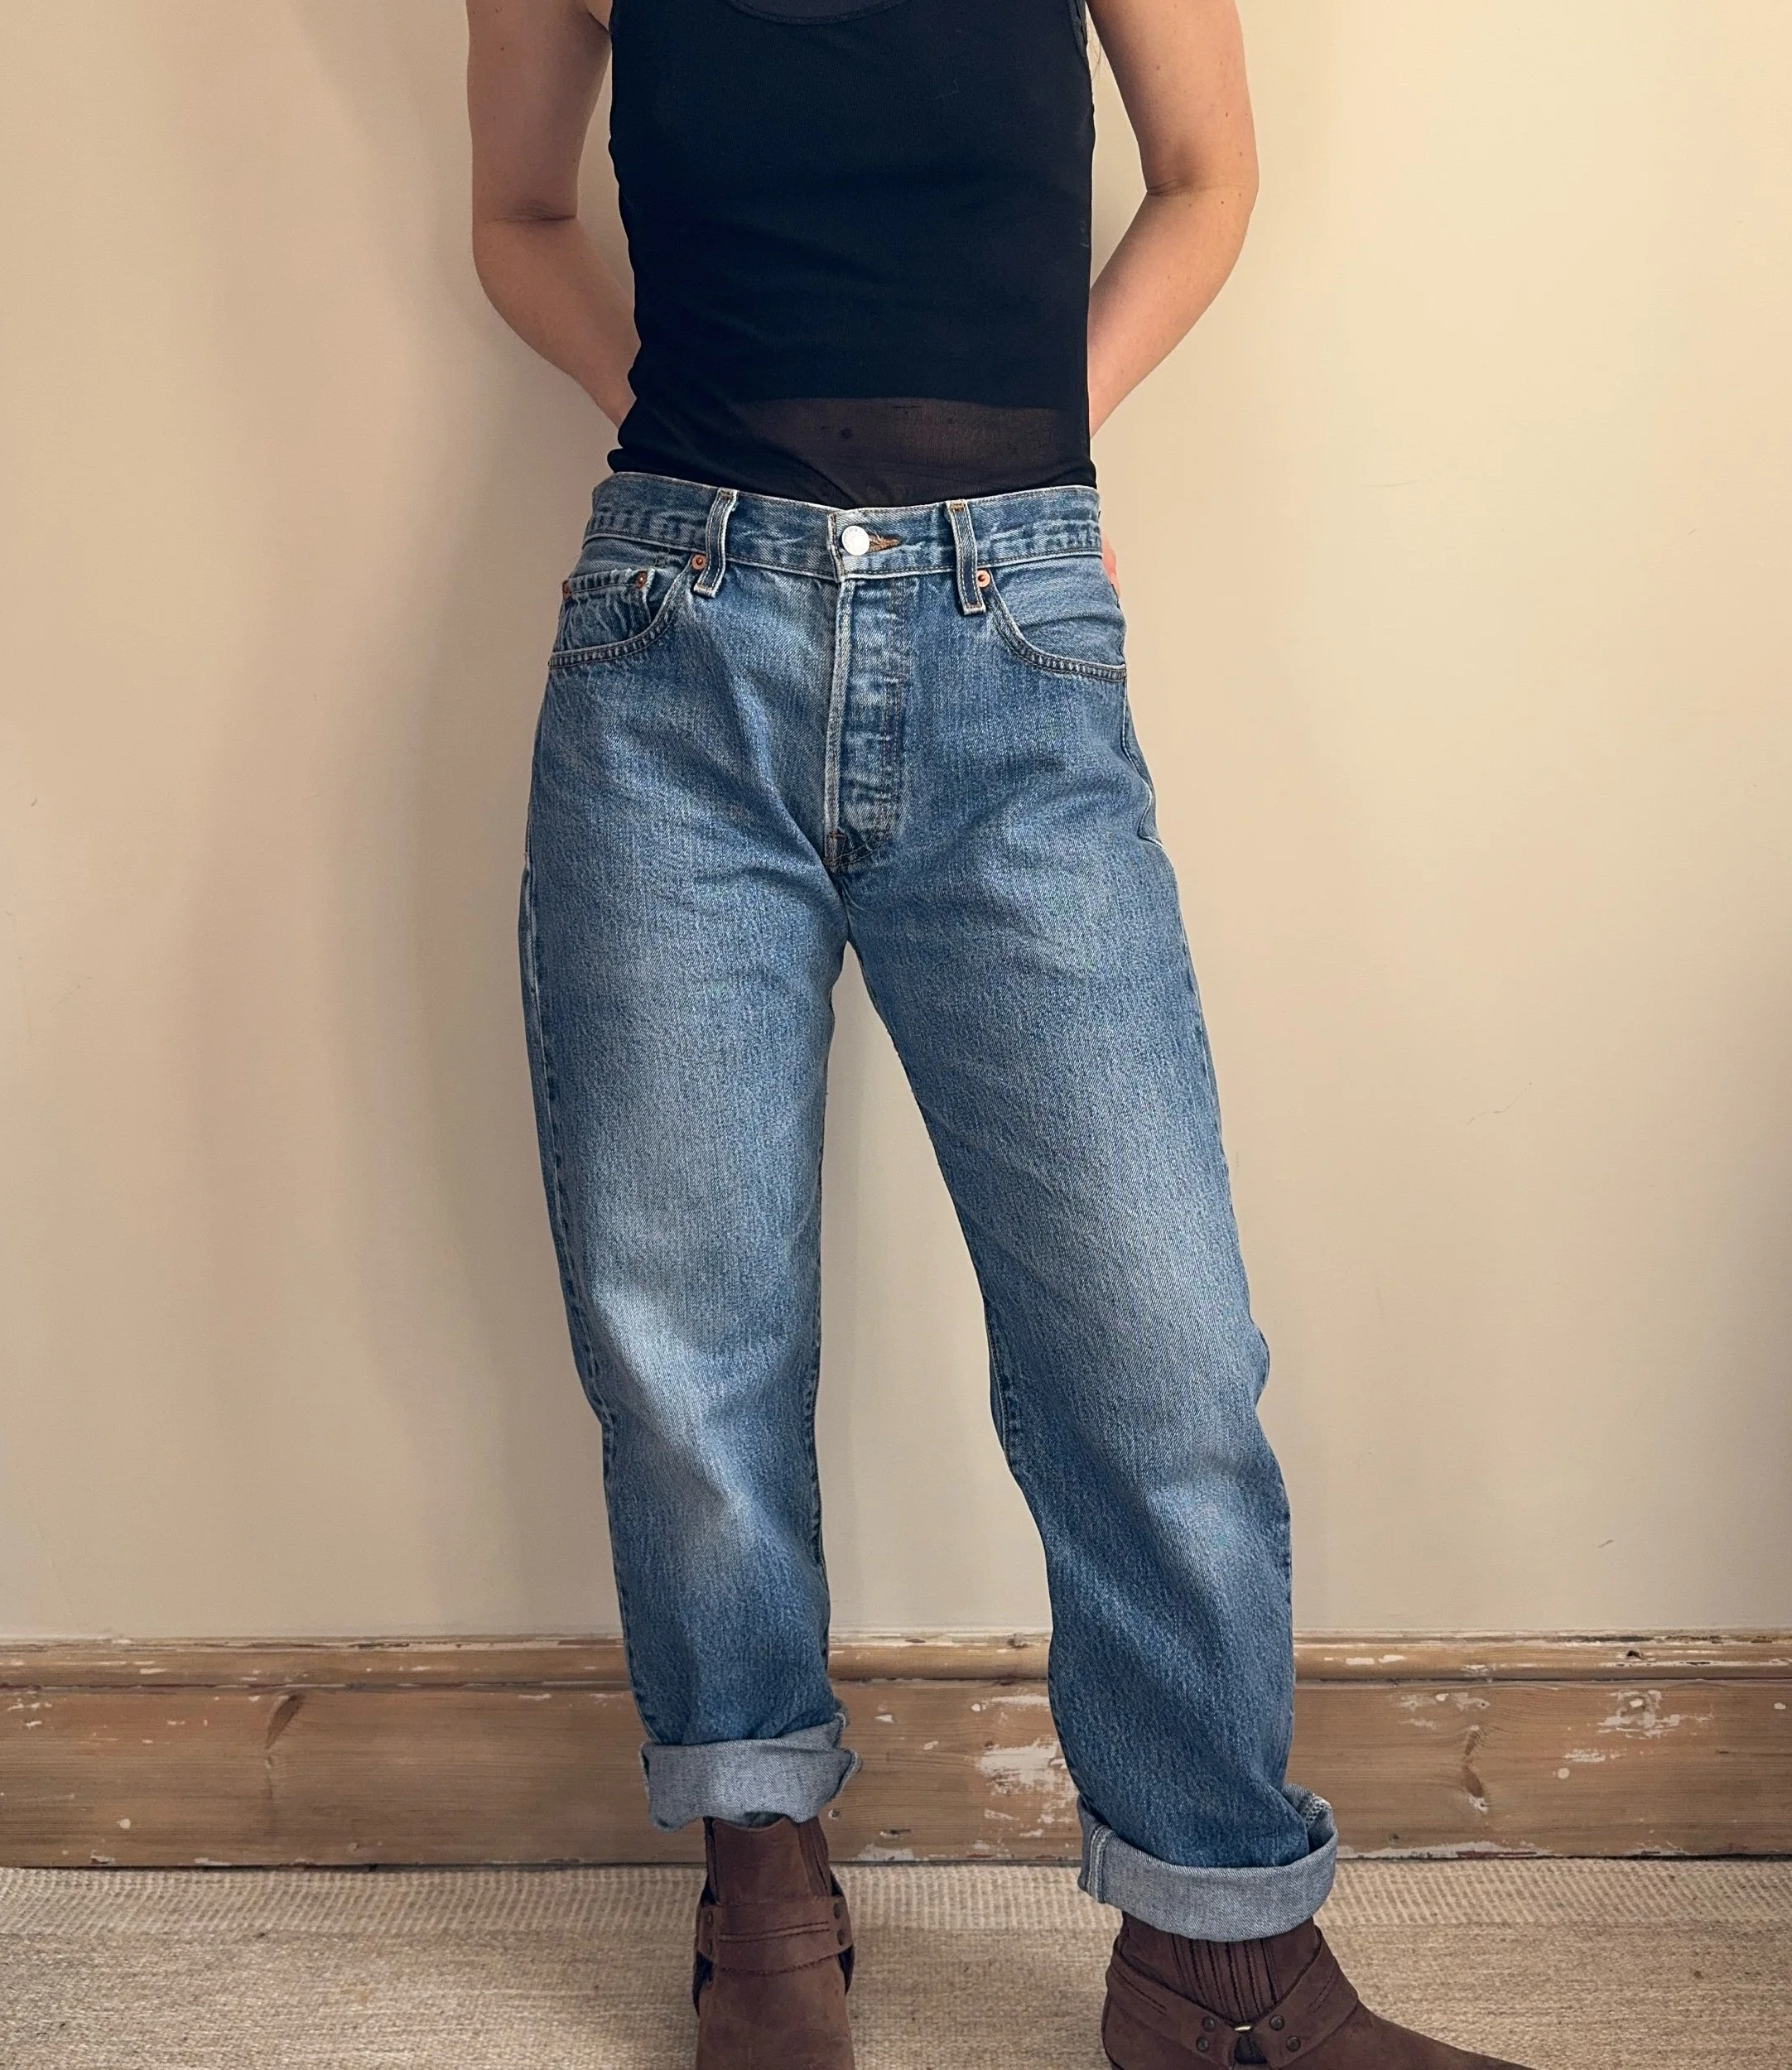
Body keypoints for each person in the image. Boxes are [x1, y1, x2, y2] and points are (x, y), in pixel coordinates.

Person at [466, 2, 1529, 2065]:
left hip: (1010, 631)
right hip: (674, 638)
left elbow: (1207, 178)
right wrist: (665, 401)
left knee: (1156, 1345)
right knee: (686, 1334)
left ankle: (1216, 1950)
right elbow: (513, 218)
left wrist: (1059, 422)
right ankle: (761, 1879)